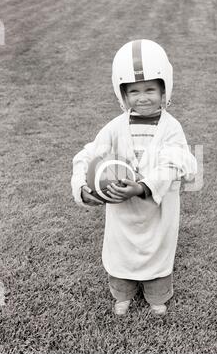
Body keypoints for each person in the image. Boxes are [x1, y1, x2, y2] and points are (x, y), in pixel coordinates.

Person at [71, 39, 197, 316]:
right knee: (121, 253)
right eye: (134, 91)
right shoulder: (115, 127)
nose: (143, 97)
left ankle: (157, 295)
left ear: (164, 89)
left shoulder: (171, 128)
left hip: (157, 209)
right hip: (121, 211)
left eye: (150, 89)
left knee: (158, 252)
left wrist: (142, 187)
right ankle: (122, 294)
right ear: (123, 95)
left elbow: (177, 164)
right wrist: (82, 187)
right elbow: (88, 154)